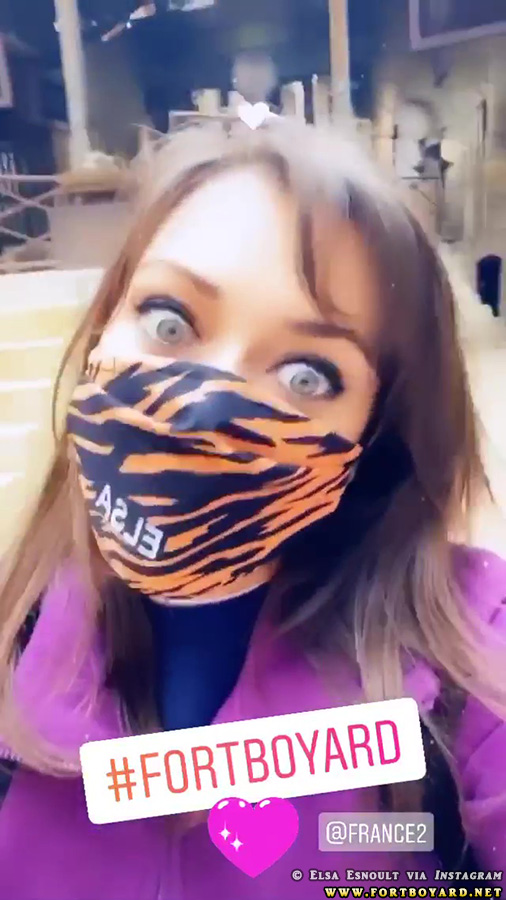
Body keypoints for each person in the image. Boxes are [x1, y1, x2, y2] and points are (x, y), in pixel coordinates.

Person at [0, 121, 505, 899]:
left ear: (375, 436)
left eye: (307, 375)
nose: (206, 409)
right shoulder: (17, 634)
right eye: (170, 322)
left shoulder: (472, 652)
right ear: (104, 330)